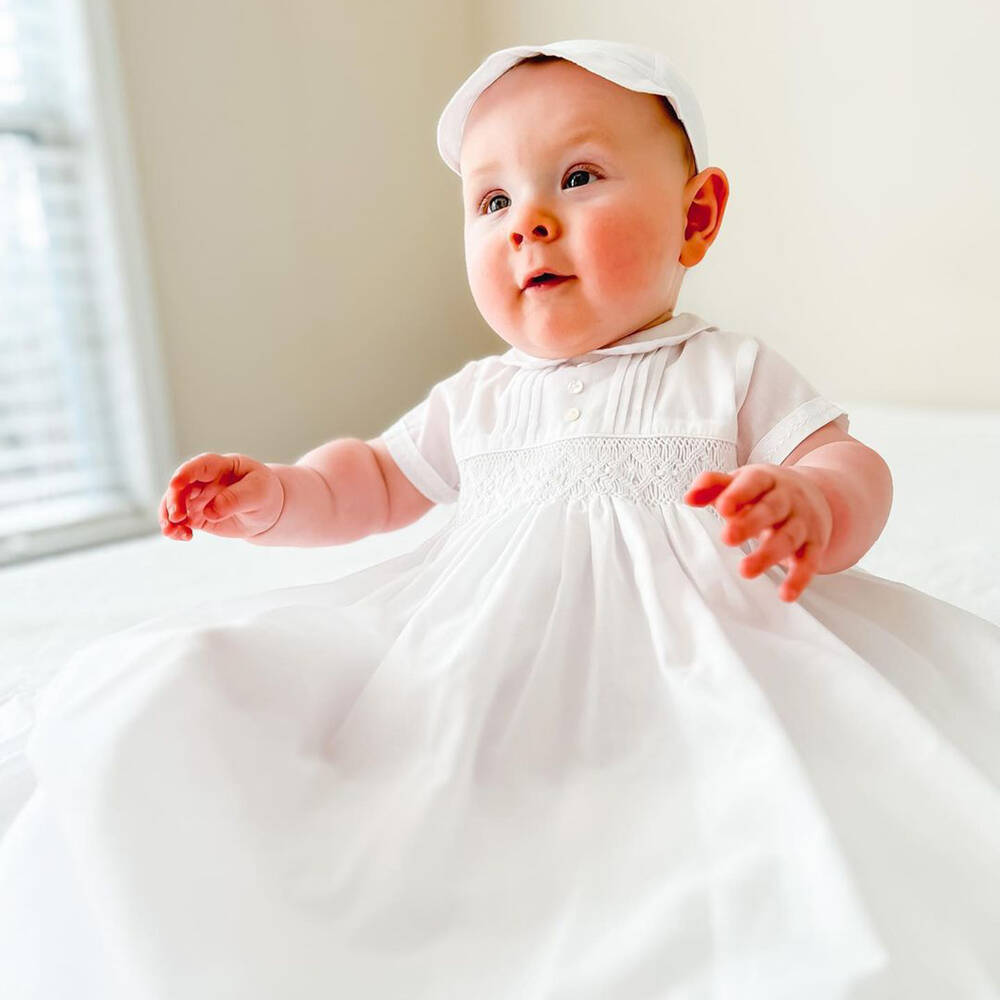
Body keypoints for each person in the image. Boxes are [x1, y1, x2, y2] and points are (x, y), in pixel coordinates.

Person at [2, 39, 999, 1000]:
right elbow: (372, 481)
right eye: (491, 199)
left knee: (779, 792)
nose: (528, 221)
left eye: (577, 178)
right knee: (249, 711)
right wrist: (275, 493)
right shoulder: (481, 395)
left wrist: (814, 502)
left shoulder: (722, 369)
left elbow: (841, 458)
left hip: (698, 649)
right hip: (485, 649)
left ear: (697, 216)